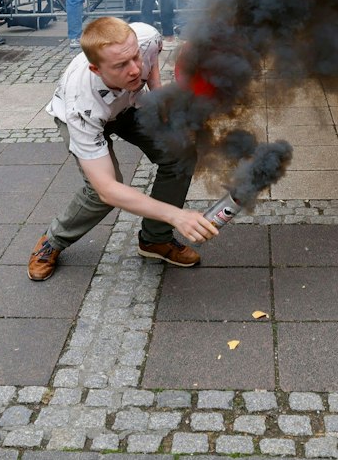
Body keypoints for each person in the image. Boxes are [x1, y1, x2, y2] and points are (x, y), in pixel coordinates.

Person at [26, 17, 216, 281]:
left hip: (128, 106)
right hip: (93, 116)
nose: (135, 70)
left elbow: (150, 66)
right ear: (96, 69)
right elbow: (108, 190)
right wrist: (177, 215)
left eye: (135, 57)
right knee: (102, 190)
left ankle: (155, 240)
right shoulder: (81, 106)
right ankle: (53, 240)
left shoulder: (147, 37)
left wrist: (158, 96)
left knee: (180, 153)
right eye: (121, 66)